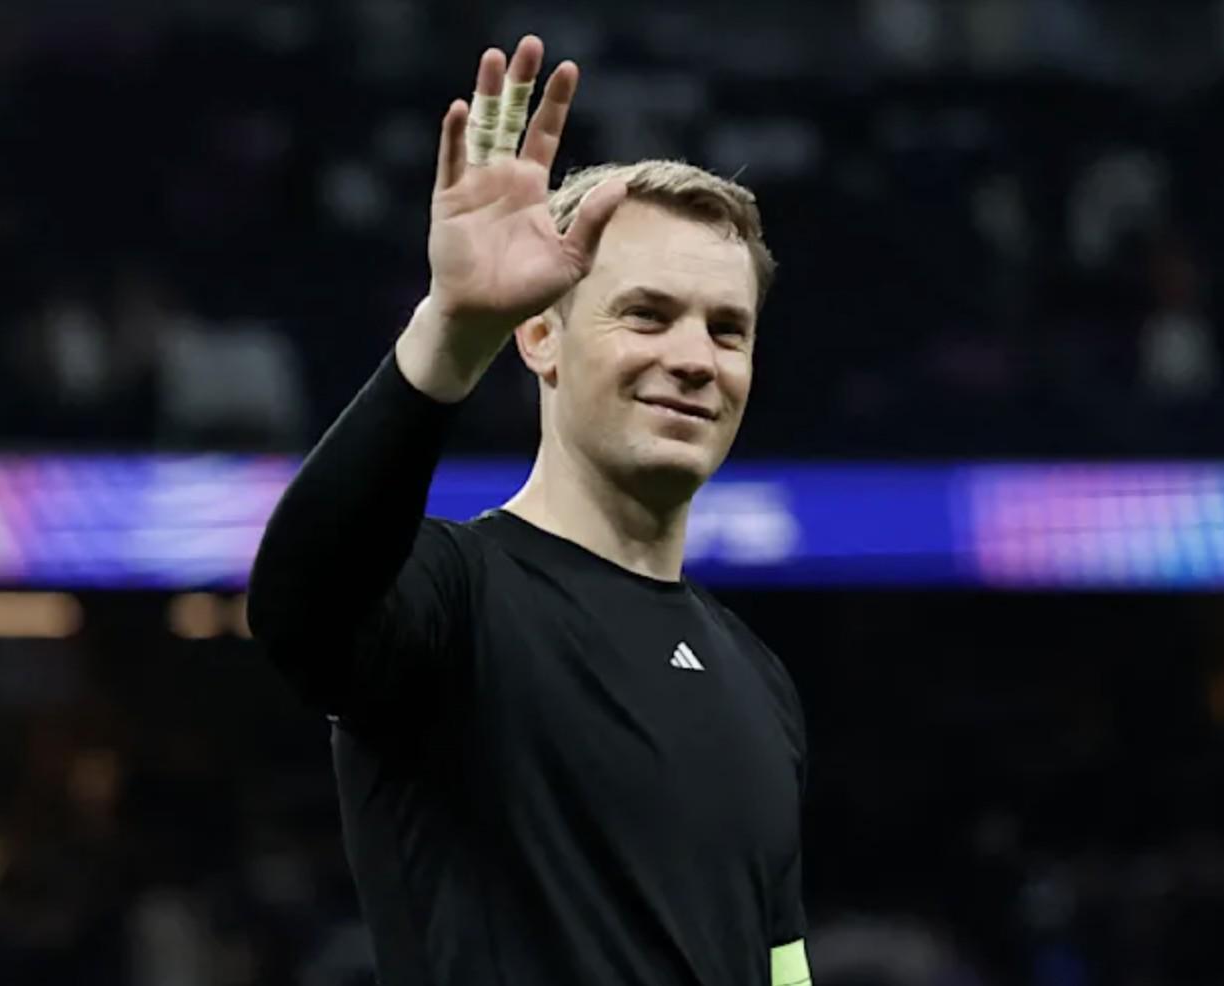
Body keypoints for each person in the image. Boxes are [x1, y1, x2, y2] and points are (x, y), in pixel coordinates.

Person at [247, 34, 809, 986]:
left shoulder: (759, 680)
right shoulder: (448, 600)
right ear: (540, 336)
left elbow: (782, 969)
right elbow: (297, 604)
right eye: (646, 314)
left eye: (728, 329)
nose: (693, 358)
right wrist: (451, 331)